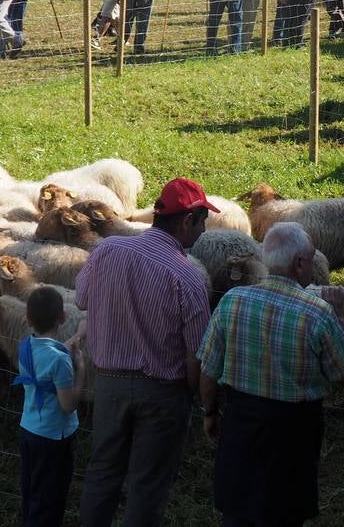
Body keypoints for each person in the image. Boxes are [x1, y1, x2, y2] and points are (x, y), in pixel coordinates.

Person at [76, 177, 215, 527]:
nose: (204, 230)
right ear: (187, 221)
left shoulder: (107, 250)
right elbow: (195, 354)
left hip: (108, 385)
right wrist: (192, 399)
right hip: (161, 394)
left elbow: (81, 299)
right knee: (148, 483)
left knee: (103, 472)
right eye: (203, 222)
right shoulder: (188, 277)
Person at [198, 223, 344, 527]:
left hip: (242, 425)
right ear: (299, 264)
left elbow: (208, 369)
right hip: (293, 433)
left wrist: (209, 412)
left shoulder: (232, 302)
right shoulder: (318, 312)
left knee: (238, 510)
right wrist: (339, 318)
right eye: (311, 258)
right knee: (284, 513)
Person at [15, 285, 87, 527]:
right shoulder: (61, 361)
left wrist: (76, 338)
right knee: (51, 499)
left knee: (32, 489)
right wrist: (81, 371)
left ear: (27, 319)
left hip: (29, 430)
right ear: (63, 317)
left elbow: (50, 354)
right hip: (54, 438)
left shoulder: (24, 347)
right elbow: (68, 404)